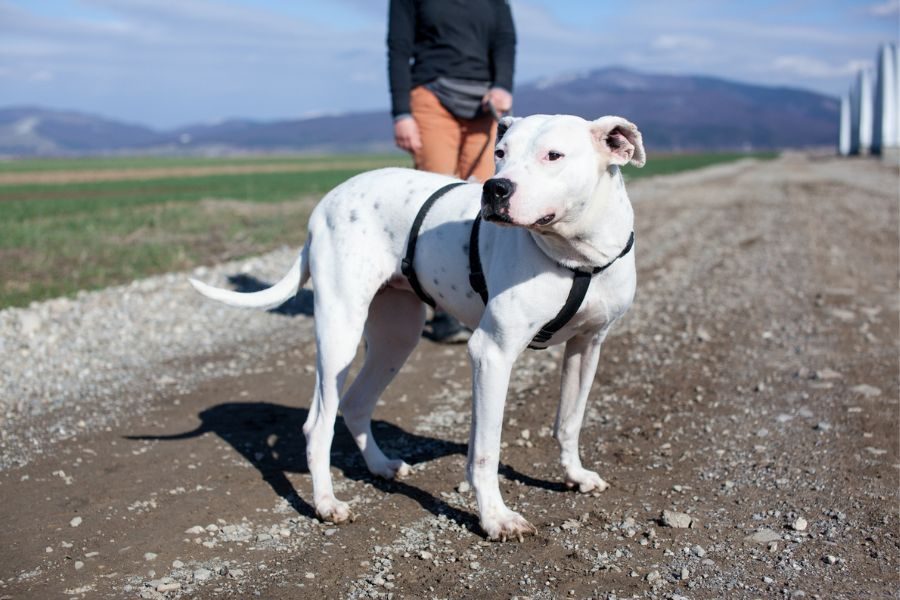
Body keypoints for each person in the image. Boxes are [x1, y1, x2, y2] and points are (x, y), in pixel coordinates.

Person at [387, 0, 516, 342]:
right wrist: (402, 114)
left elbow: (504, 39)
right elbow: (398, 48)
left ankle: (482, 300)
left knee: (484, 200)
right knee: (438, 198)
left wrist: (503, 84)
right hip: (430, 96)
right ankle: (444, 311)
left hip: (484, 102)